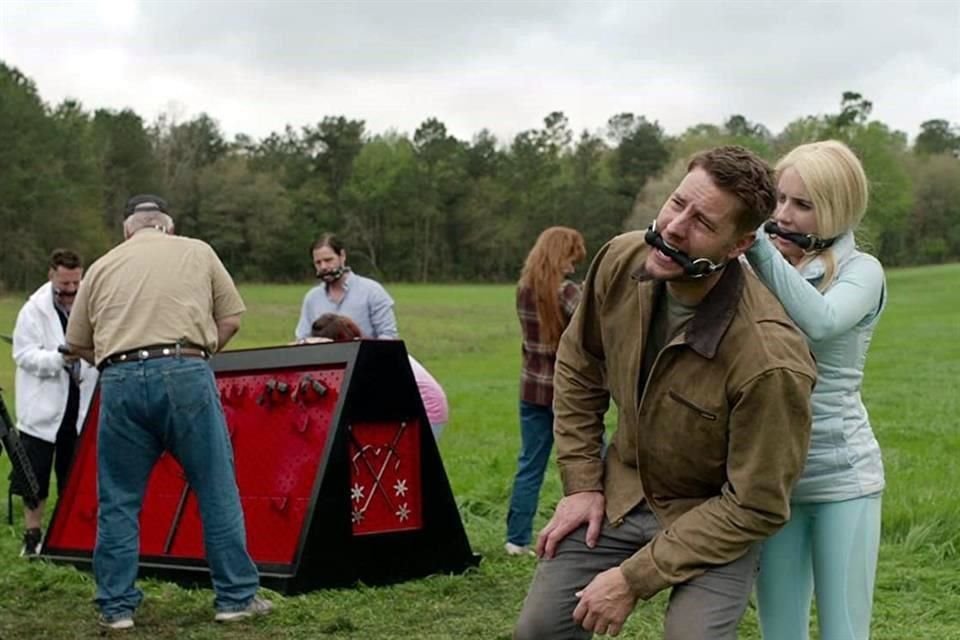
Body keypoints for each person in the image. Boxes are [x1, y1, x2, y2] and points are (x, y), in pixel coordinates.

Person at [513, 146, 818, 640]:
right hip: (621, 488)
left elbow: (756, 504)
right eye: (677, 203)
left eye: (702, 222)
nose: (675, 226)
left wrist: (633, 580)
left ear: (739, 245)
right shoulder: (621, 258)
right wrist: (583, 481)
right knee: (540, 629)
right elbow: (579, 361)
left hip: (712, 515)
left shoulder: (770, 360)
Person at [65, 194, 271, 630]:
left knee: (118, 501)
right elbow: (231, 317)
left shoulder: (101, 266)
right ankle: (235, 597)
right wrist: (200, 352)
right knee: (215, 487)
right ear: (168, 227)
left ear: (128, 230)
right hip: (184, 369)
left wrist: (115, 360)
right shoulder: (198, 251)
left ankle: (116, 608)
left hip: (118, 377)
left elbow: (77, 342)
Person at [746, 140, 886, 640]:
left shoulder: (861, 272)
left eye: (801, 205)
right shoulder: (761, 266)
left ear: (835, 209)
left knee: (844, 633)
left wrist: (757, 246)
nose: (783, 214)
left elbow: (822, 321)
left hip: (842, 478)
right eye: (779, 199)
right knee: (778, 632)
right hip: (775, 478)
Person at [9, 249, 98, 557]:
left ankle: (70, 537)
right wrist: (60, 358)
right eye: (64, 285)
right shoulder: (33, 310)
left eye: (76, 283)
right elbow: (23, 354)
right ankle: (33, 536)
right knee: (34, 478)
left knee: (73, 477)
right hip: (42, 408)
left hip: (80, 405)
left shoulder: (91, 303)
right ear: (51, 276)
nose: (71, 291)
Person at [504, 226, 586, 557]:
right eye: (571, 259)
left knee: (530, 464)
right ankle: (594, 532)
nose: (572, 266)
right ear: (559, 255)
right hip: (568, 393)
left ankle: (516, 539)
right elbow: (589, 327)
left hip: (532, 388)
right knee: (588, 462)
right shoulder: (567, 293)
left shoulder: (524, 289)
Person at [308, 313, 449, 440]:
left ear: (339, 340)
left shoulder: (365, 352)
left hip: (425, 411)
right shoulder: (362, 347)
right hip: (411, 407)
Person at [294, 233, 398, 341]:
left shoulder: (372, 292)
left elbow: (388, 336)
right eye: (318, 263)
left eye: (328, 260)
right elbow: (302, 339)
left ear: (342, 256)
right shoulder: (312, 298)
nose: (323, 267)